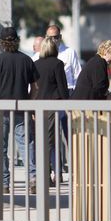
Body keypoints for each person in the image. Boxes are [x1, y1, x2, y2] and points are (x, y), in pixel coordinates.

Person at [0, 27, 37, 193]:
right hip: (22, 108)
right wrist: (29, 100)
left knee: (1, 147)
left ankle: (5, 183)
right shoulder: (27, 60)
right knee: (26, 145)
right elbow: (35, 86)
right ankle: (33, 178)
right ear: (17, 40)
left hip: (1, 109)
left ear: (2, 42)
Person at [33, 36, 68, 185]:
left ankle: (44, 174)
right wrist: (67, 104)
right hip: (53, 106)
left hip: (37, 107)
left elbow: (33, 87)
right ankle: (52, 175)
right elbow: (62, 87)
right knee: (51, 142)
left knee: (40, 142)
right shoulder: (58, 64)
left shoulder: (35, 64)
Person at [45, 24, 81, 95]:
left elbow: (78, 74)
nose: (53, 40)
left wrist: (74, 91)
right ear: (46, 38)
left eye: (56, 37)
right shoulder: (41, 54)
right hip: (49, 92)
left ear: (60, 37)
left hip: (68, 90)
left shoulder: (70, 52)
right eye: (50, 37)